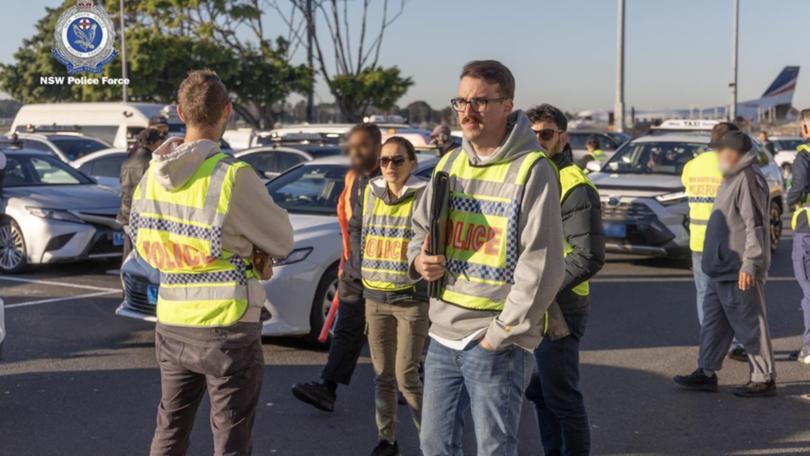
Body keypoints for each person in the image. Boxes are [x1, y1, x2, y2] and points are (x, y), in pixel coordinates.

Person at [130, 70, 294, 455]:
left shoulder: (153, 176)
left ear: (181, 114)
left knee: (169, 428)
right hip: (226, 327)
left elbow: (142, 239)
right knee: (230, 438)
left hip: (171, 321)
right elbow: (282, 239)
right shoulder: (231, 177)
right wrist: (251, 252)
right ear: (228, 111)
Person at [409, 60, 564, 455]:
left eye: (479, 101)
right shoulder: (449, 164)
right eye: (461, 101)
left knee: (494, 447)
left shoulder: (532, 169)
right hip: (443, 334)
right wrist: (418, 262)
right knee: (434, 443)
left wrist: (500, 333)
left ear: (506, 105)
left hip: (493, 340)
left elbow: (541, 264)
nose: (466, 112)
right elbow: (418, 232)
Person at [524, 104, 605, 456]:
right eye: (532, 134)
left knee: (562, 397)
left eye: (546, 134)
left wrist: (538, 291)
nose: (538, 141)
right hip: (533, 301)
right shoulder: (528, 176)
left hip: (559, 306)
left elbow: (588, 256)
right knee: (543, 394)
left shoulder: (572, 184)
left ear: (563, 137)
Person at [673, 130, 776, 398]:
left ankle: (763, 378)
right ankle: (705, 372)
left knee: (750, 325)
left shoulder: (748, 177)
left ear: (733, 153)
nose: (716, 155)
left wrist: (751, 264)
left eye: (720, 150)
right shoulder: (732, 177)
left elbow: (756, 225)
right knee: (713, 325)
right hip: (720, 268)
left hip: (737, 269)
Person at [291, 123, 382, 411]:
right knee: (347, 330)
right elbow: (346, 222)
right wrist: (344, 262)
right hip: (355, 269)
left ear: (378, 148)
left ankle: (408, 386)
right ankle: (327, 389)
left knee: (389, 335)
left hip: (387, 273)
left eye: (363, 146)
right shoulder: (352, 178)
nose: (356, 152)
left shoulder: (392, 178)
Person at [359, 136, 429, 456]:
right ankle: (386, 440)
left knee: (406, 377)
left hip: (410, 298)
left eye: (397, 160)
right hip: (375, 297)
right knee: (381, 376)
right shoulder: (370, 192)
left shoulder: (423, 194)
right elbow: (363, 235)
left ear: (412, 163)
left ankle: (432, 442)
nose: (389, 166)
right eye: (384, 160)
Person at [681, 122, 747, 362]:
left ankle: (708, 341)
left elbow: (687, 189)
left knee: (704, 293)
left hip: (698, 240)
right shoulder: (730, 165)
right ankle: (736, 343)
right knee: (732, 295)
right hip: (726, 242)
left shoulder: (692, 165)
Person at [116, 127, 166, 260]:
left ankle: (127, 279)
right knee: (146, 256)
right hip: (144, 215)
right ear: (153, 143)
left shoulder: (126, 162)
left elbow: (123, 186)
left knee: (129, 254)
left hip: (126, 213)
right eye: (160, 142)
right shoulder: (152, 163)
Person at [788, 109, 810, 364]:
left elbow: (799, 187)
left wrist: (789, 199)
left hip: (807, 229)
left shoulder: (804, 156)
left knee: (808, 290)